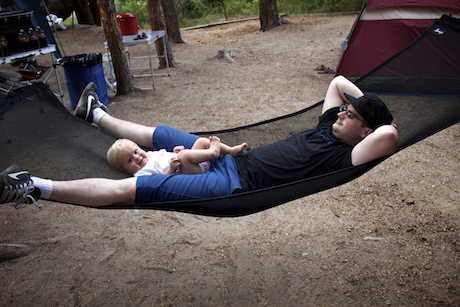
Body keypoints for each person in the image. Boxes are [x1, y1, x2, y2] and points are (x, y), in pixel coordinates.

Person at [0, 76, 399, 208]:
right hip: (224, 158)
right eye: (345, 109)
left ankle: (33, 186)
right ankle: (97, 115)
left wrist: (375, 118)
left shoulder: (348, 153)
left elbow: (389, 134)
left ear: (364, 132)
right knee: (164, 135)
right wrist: (361, 106)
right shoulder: (331, 125)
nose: (342, 111)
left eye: (351, 114)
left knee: (133, 188)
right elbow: (336, 83)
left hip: (233, 185)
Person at [107, 137, 247, 176]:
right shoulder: (141, 174)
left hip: (191, 163)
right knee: (184, 155)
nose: (137, 157)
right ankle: (213, 153)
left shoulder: (150, 155)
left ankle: (230, 150)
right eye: (130, 160)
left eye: (136, 151)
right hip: (187, 172)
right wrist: (171, 170)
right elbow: (157, 182)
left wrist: (175, 152)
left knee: (201, 141)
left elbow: (167, 157)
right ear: (126, 170)